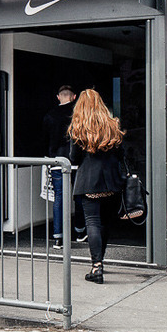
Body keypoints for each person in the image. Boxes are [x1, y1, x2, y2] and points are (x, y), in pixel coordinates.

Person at [66, 89, 128, 284]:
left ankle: (96, 266)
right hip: (111, 182)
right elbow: (121, 155)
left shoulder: (78, 127)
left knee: (91, 223)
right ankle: (101, 261)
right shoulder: (113, 125)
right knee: (104, 224)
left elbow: (73, 158)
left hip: (89, 182)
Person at [41, 85, 79, 248]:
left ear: (58, 97)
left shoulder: (49, 116)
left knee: (59, 197)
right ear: (74, 96)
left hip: (56, 160)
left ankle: (58, 237)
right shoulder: (78, 114)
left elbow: (44, 138)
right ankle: (80, 231)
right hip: (76, 160)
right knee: (80, 195)